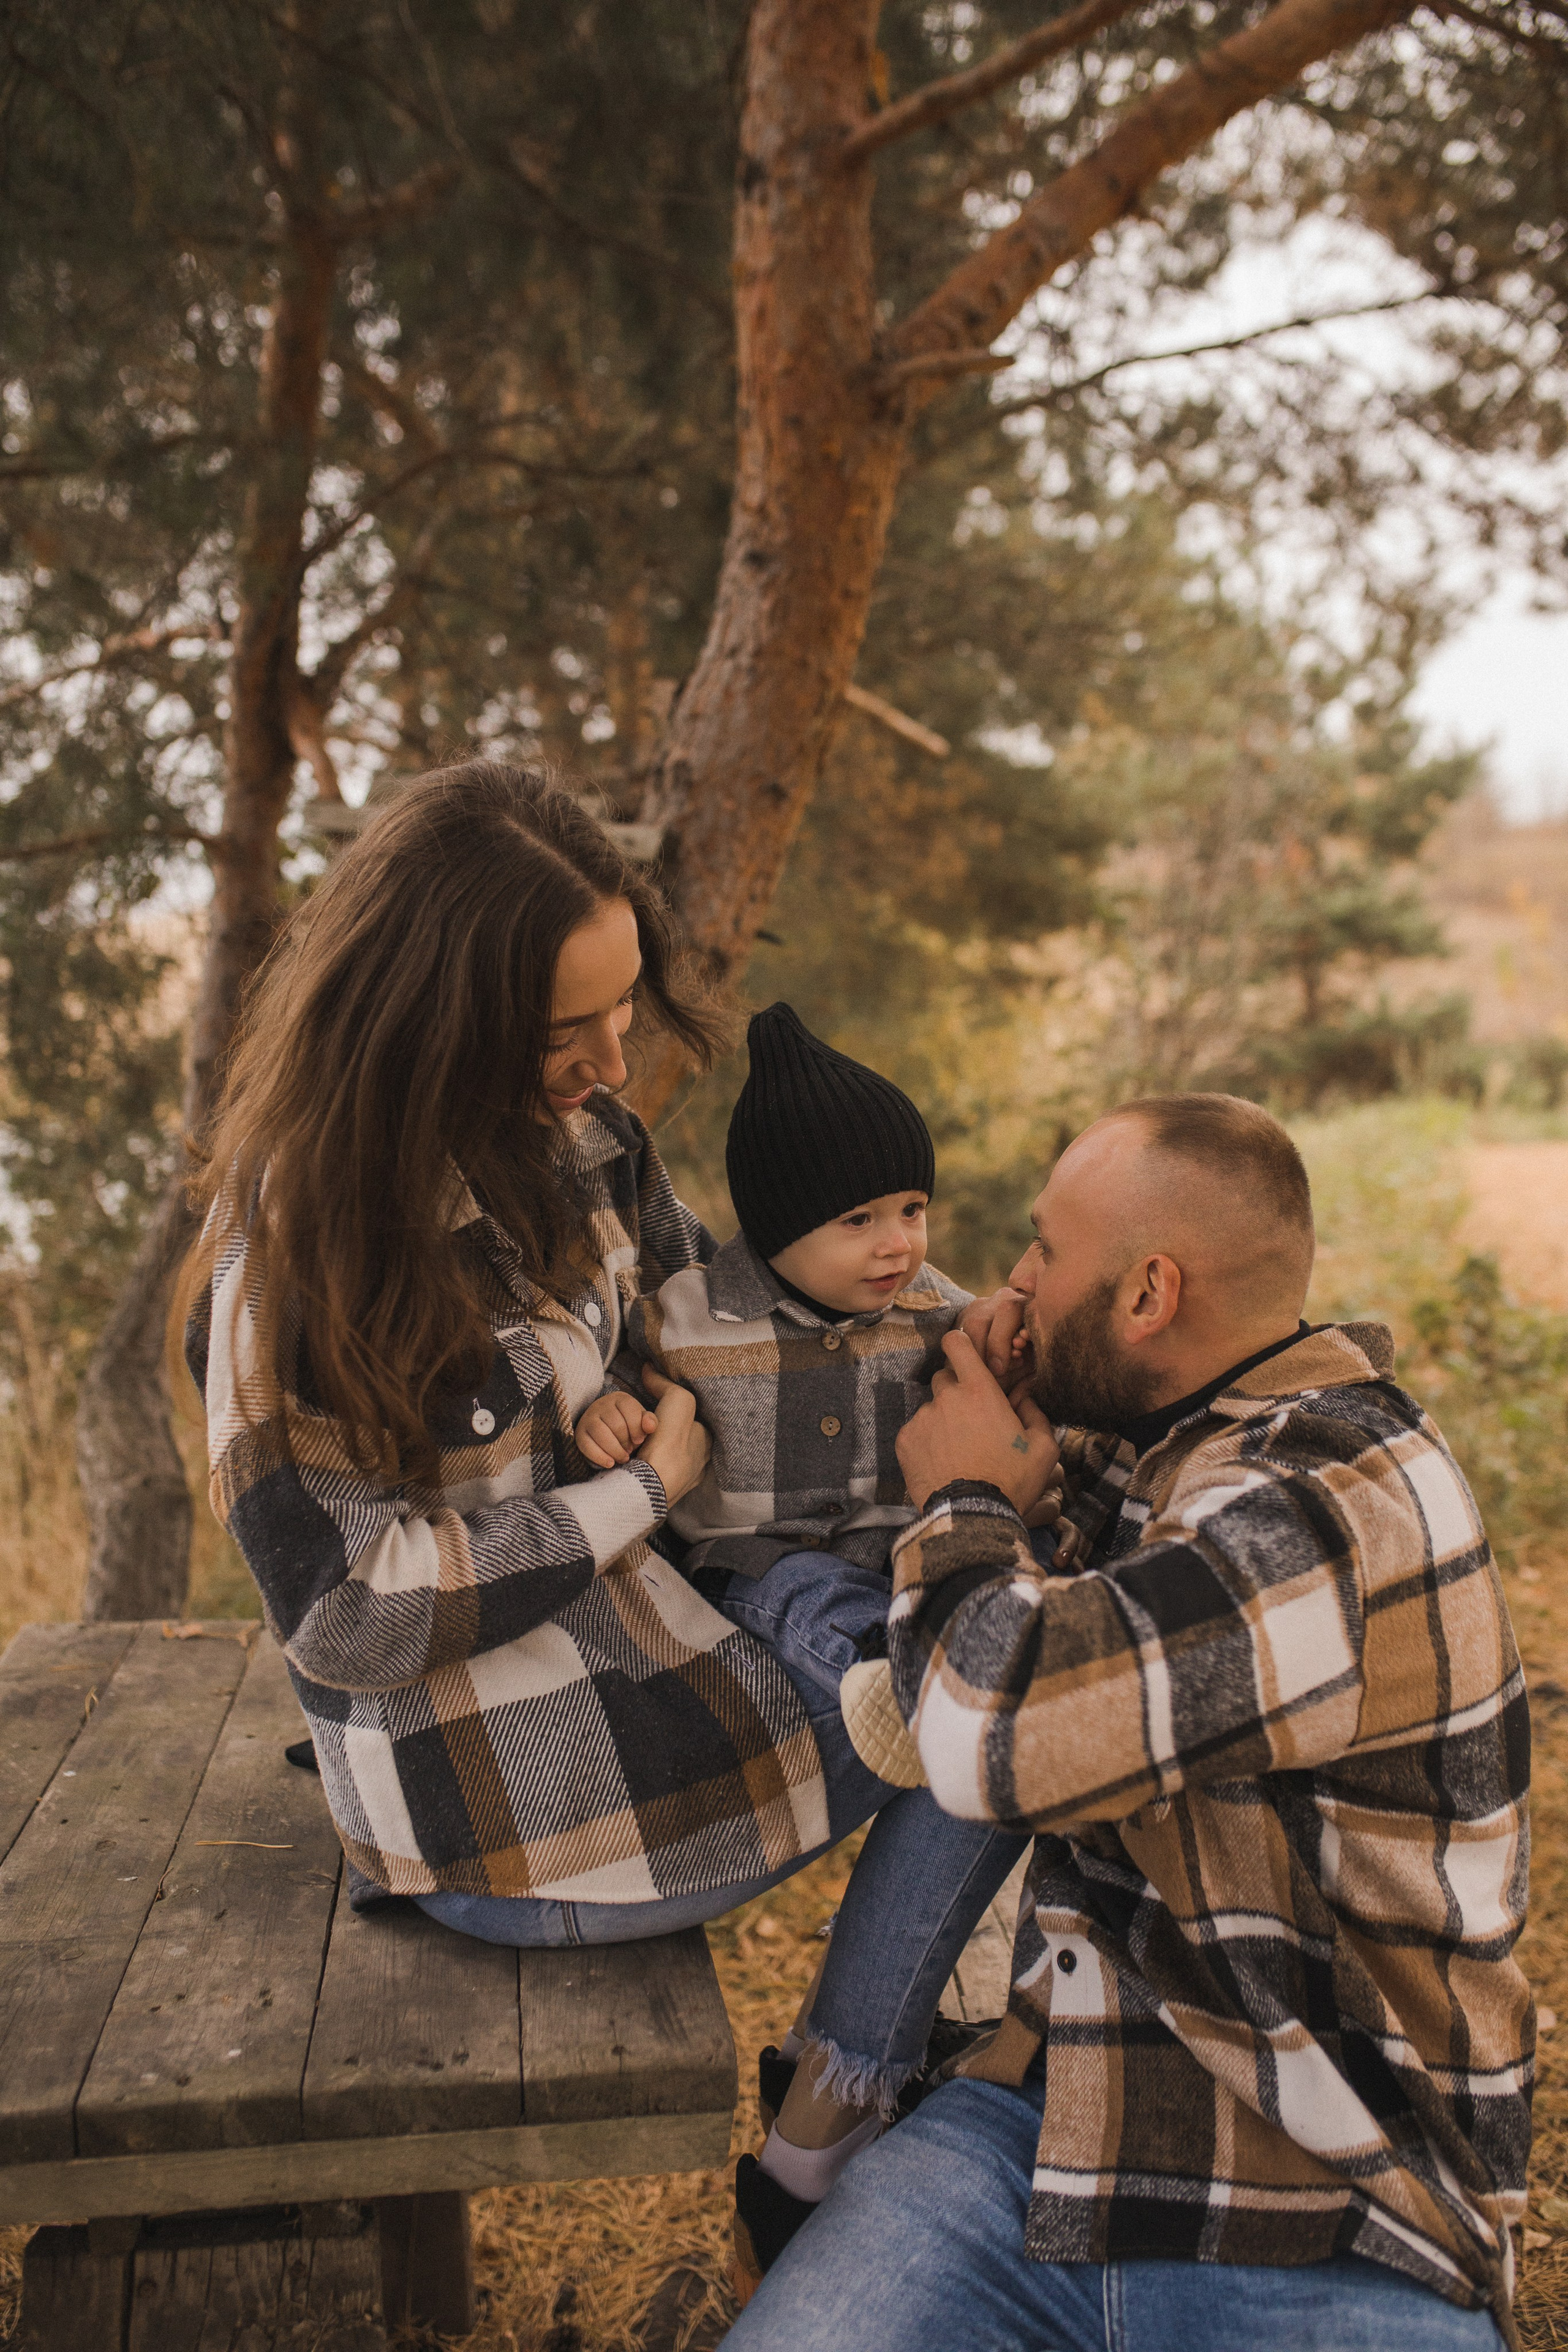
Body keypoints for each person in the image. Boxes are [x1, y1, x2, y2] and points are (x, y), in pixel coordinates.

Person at [180, 760, 1023, 2265]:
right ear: (426, 1016)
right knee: (996, 1706)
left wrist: (980, 1339)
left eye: (623, 1009)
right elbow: (346, 1614)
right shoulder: (296, 1256)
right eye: (560, 1030)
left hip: (652, 1670)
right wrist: (637, 1494)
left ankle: (888, 2070)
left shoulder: (584, 1144)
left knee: (984, 1640)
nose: (610, 1059)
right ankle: (825, 2139)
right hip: (516, 1813)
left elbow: (732, 1321)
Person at [723, 1092, 1531, 2352]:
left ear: (1149, 1293)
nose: (1015, 1278)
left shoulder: (1332, 1506)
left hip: (1330, 2201)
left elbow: (988, 1731)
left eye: (1045, 1249)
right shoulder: (1166, 1444)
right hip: (1033, 2138)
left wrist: (969, 1497)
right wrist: (991, 1370)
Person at [577, 1003, 1066, 2278]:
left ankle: (827, 2099)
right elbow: (617, 1389)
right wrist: (608, 1422)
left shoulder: (937, 1317)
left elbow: (1011, 1383)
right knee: (814, 1606)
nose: (898, 1242)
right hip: (754, 1589)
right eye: (858, 1220)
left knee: (929, 1666)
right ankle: (888, 1692)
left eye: (911, 1208)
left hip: (900, 1582)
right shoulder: (687, 1317)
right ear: (777, 1226)